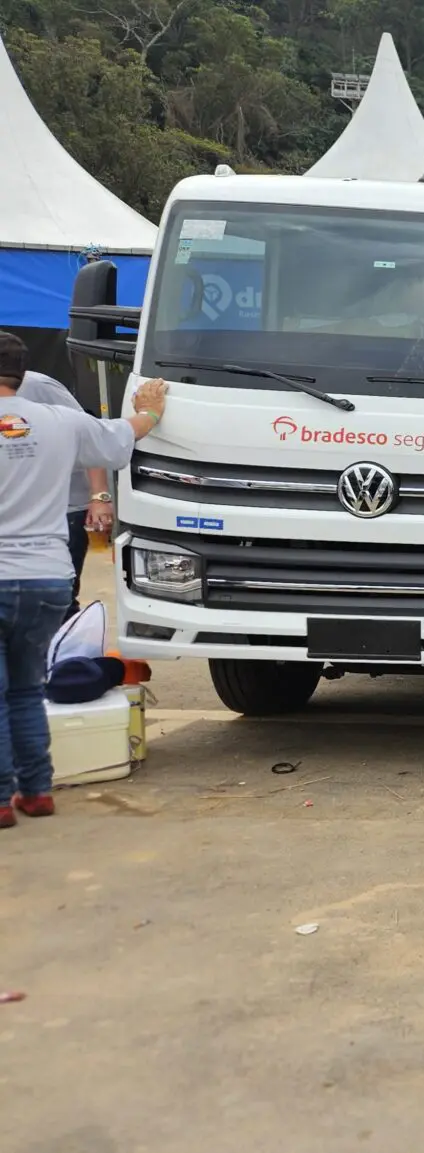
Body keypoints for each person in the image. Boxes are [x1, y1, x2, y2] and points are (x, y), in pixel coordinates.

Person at [0, 340, 164, 830]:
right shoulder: (59, 420)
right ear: (22, 371)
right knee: (26, 689)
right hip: (47, 576)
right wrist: (151, 412)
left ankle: (3, 798)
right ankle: (36, 791)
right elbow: (120, 438)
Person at [2, 354, 111, 617]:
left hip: (65, 508)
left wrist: (100, 496)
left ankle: (65, 641)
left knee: (59, 597)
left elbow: (89, 435)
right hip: (15, 514)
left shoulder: (38, 386)